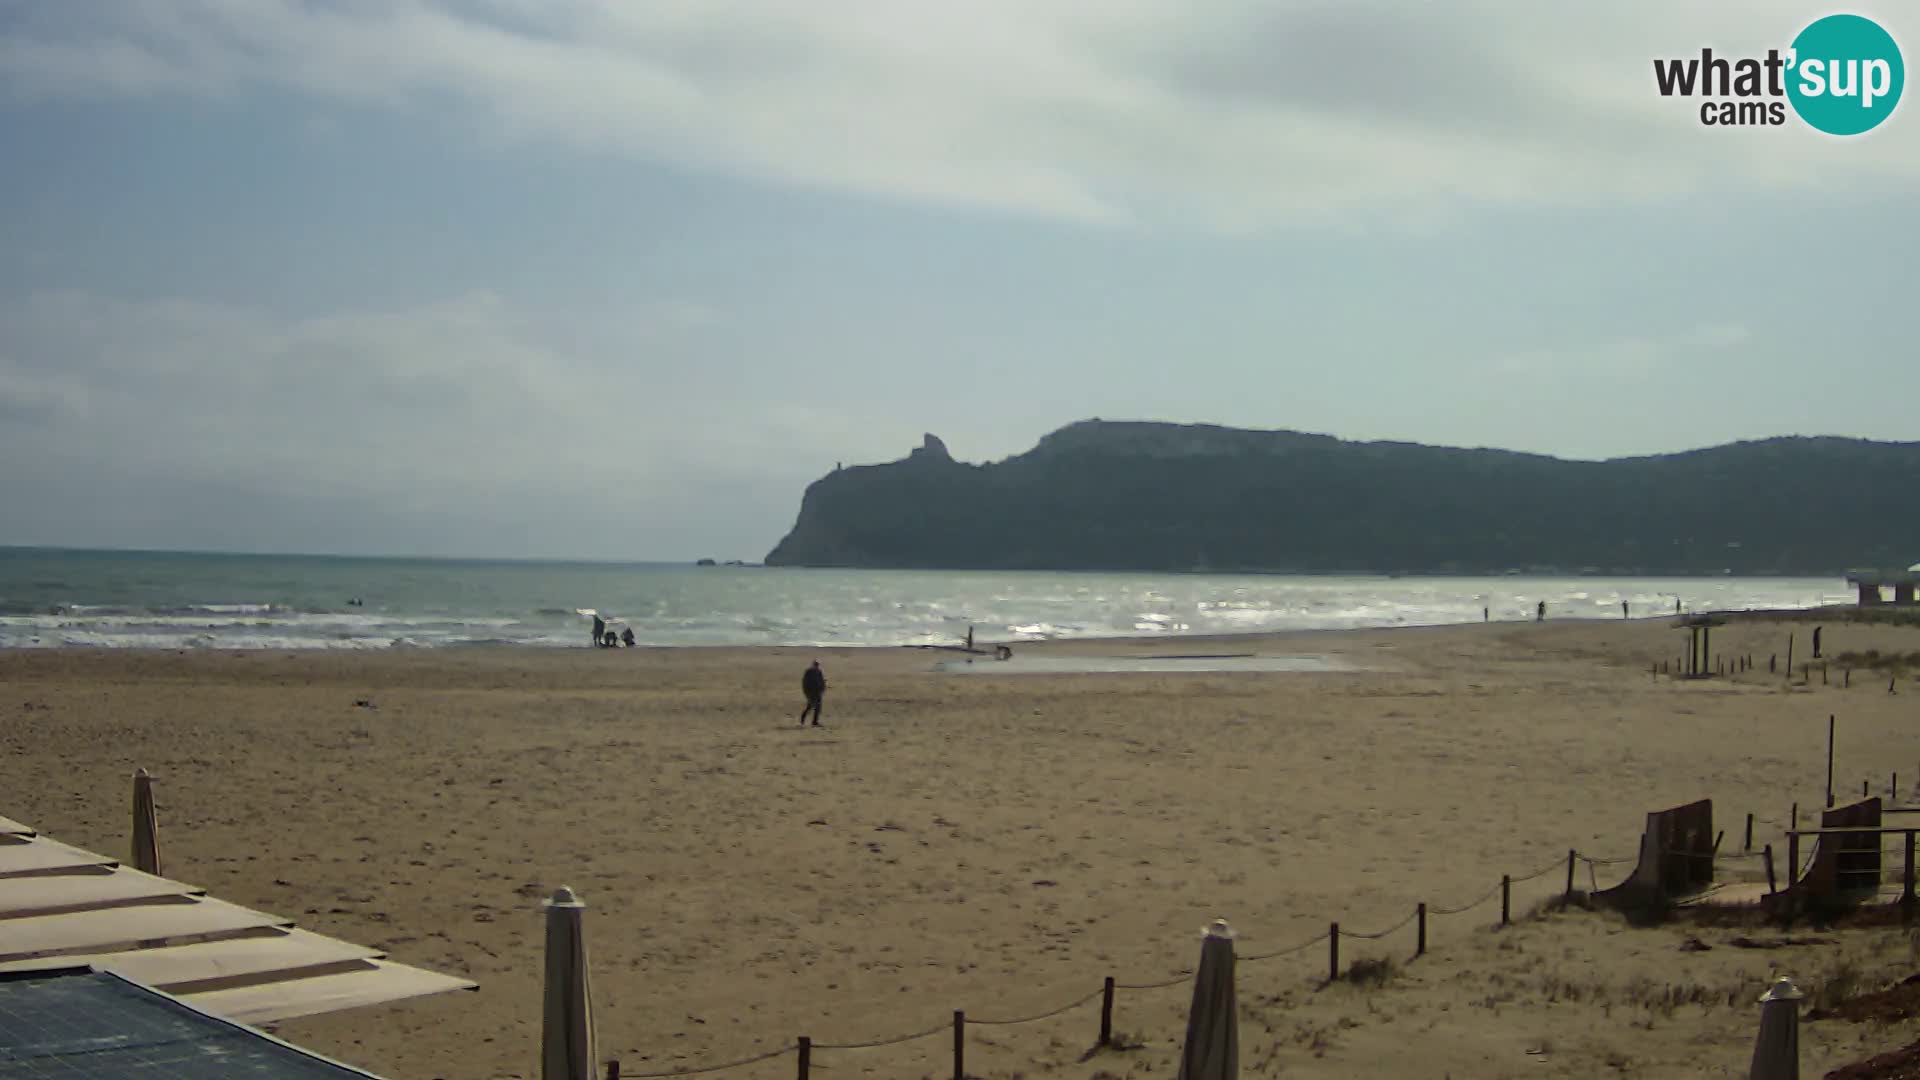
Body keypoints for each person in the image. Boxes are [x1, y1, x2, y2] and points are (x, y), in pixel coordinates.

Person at [799, 660, 826, 726]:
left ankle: (815, 722)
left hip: (818, 692)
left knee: (818, 707)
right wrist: (807, 693)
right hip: (811, 693)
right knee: (810, 707)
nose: (817, 666)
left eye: (817, 665)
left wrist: (822, 689)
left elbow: (821, 681)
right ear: (813, 665)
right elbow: (805, 683)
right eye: (816, 665)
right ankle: (803, 719)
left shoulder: (819, 672)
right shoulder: (808, 672)